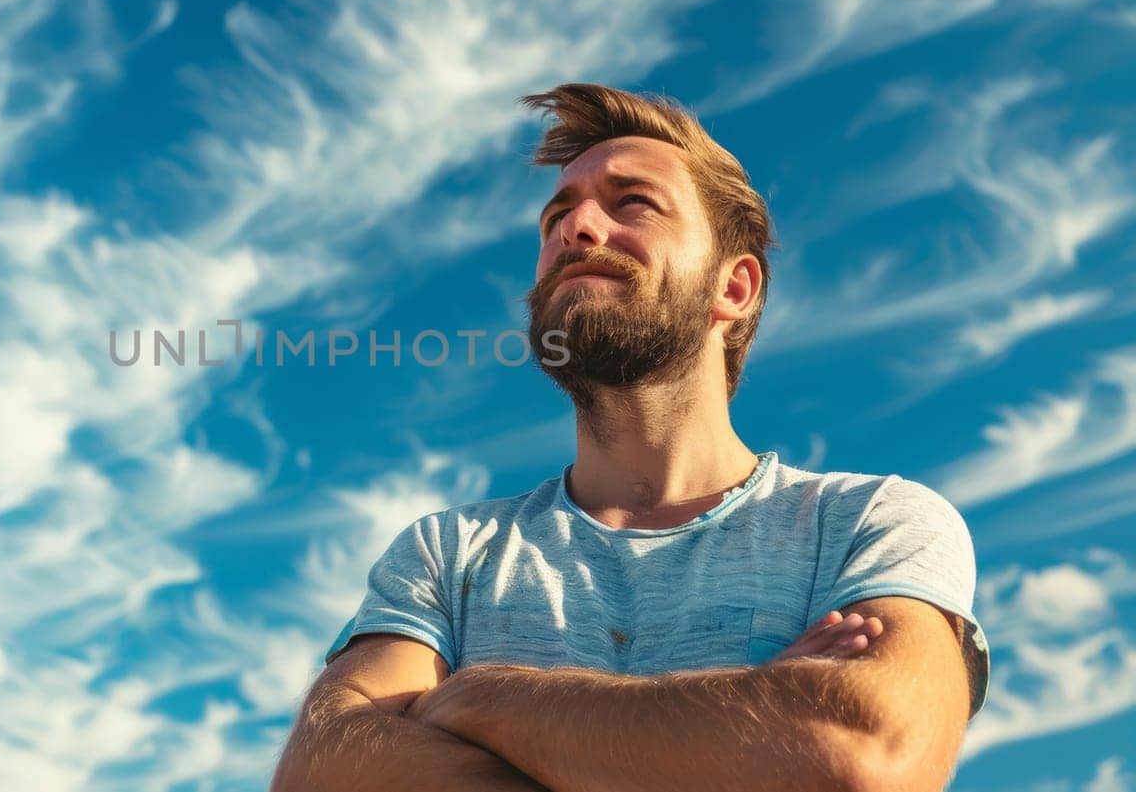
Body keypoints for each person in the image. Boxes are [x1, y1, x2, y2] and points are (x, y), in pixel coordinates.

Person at [270, 83, 989, 792]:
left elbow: (857, 756)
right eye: (557, 217)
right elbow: (317, 773)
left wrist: (479, 697)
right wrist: (746, 722)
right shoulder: (449, 552)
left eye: (632, 203)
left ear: (733, 288)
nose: (576, 229)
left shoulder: (870, 523)